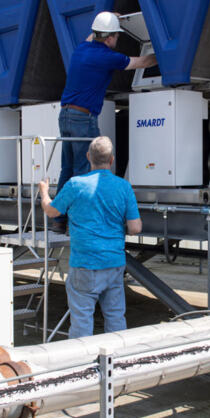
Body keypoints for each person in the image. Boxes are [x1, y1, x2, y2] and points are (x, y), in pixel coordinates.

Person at [38, 136, 141, 338]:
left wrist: (44, 192)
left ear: (88, 157)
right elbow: (135, 227)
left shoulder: (75, 184)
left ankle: (81, 365)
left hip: (84, 263)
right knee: (115, 317)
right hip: (114, 263)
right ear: (111, 160)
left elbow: (51, 211)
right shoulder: (124, 187)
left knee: (82, 322)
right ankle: (118, 361)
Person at [56, 11, 156, 194]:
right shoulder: (108, 57)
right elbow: (142, 62)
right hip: (83, 119)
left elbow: (92, 36)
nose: (118, 38)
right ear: (109, 38)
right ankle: (80, 218)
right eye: (117, 34)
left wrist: (109, 18)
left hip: (65, 116)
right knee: (86, 170)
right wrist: (165, 53)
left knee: (68, 169)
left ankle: (58, 219)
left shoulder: (81, 49)